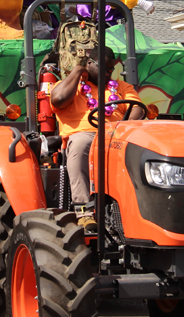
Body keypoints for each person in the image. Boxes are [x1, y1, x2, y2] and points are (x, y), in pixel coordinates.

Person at [50, 46, 143, 231]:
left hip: (116, 134)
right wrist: (77, 71)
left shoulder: (121, 87)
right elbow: (58, 99)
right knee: (81, 143)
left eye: (111, 70)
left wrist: (121, 128)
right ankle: (84, 210)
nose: (109, 73)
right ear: (90, 64)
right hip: (85, 135)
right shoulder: (71, 86)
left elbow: (138, 109)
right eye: (105, 69)